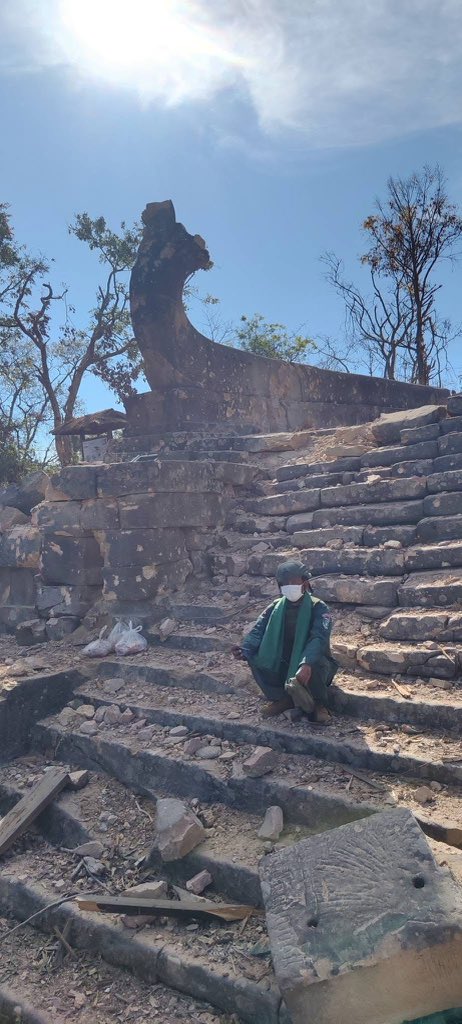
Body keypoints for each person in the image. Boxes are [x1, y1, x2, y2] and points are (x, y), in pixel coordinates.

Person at [233, 560, 337, 723]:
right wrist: (245, 649)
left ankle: (318, 703)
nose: (290, 586)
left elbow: (319, 638)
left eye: (294, 582)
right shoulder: (275, 607)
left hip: (310, 660)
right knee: (255, 657)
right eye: (285, 583)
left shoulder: (319, 607)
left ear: (304, 582)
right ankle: (282, 698)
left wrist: (306, 663)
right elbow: (258, 630)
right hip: (284, 659)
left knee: (315, 662)